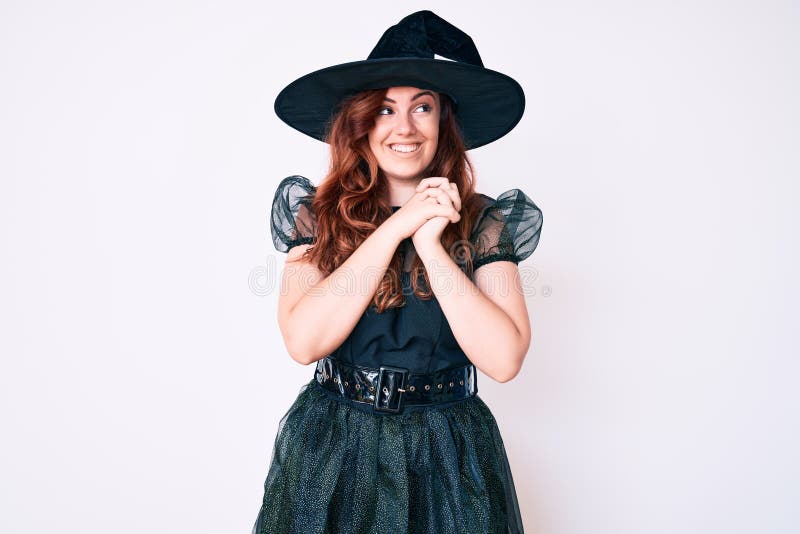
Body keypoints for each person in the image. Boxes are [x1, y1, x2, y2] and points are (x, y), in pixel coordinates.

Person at [252, 10, 543, 534]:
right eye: (385, 109)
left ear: (444, 123)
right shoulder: (315, 216)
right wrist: (396, 228)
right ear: (361, 125)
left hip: (450, 454)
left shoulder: (484, 222)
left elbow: (503, 360)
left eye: (422, 107)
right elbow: (304, 340)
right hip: (335, 448)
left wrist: (430, 244)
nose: (404, 127)